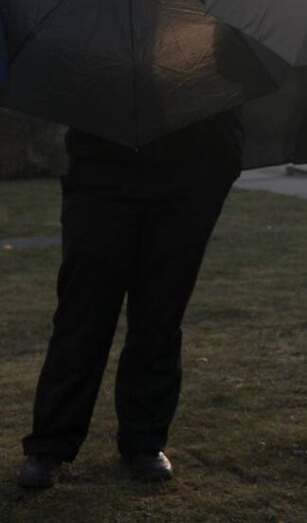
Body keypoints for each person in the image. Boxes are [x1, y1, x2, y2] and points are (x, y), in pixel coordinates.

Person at [18, 109, 244, 488]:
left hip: (191, 163)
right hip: (102, 165)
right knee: (82, 312)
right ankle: (51, 444)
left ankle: (144, 439)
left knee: (161, 314)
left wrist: (221, 161)